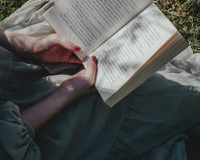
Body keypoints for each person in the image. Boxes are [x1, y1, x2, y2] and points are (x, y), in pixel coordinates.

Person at [1, 28, 200, 160]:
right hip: (36, 126)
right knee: (182, 94)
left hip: (20, 65)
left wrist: (30, 46)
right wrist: (66, 92)